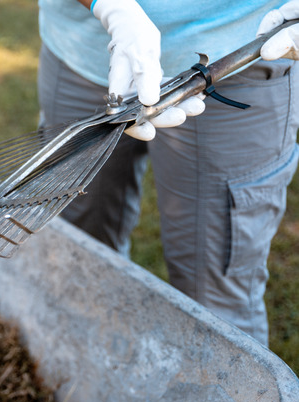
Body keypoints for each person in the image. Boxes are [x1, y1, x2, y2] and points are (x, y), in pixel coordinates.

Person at [37, 0, 299, 345]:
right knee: (77, 256)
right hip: (82, 49)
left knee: (214, 305)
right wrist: (109, 6)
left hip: (238, 54)